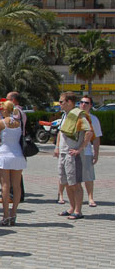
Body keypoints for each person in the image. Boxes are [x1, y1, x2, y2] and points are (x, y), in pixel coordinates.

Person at [54, 92, 93, 220]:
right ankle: (71, 207)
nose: (59, 104)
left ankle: (78, 211)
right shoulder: (66, 115)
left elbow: (89, 132)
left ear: (69, 102)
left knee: (75, 183)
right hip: (63, 153)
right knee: (66, 182)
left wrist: (80, 149)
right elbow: (61, 132)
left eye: (61, 102)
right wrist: (57, 147)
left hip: (73, 154)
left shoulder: (79, 115)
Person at [0, 101, 26, 226]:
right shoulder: (19, 122)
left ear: (4, 110)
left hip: (5, 154)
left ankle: (5, 214)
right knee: (17, 186)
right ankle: (14, 213)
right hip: (17, 154)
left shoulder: (1, 123)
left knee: (5, 185)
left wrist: (1, 136)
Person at [79, 96, 102, 208]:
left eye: (86, 103)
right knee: (74, 177)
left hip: (87, 151)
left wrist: (96, 154)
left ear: (91, 105)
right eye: (81, 102)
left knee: (88, 176)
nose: (83, 104)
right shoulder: (73, 117)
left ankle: (90, 198)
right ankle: (75, 199)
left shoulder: (93, 119)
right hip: (73, 151)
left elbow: (96, 137)